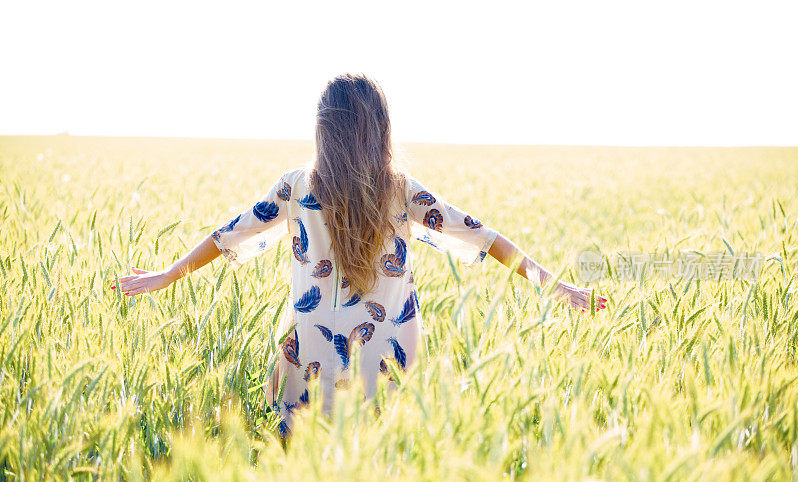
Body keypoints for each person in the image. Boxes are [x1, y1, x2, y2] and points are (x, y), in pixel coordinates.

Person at [112, 73, 606, 436]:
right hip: (388, 356)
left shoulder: (296, 185)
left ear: (324, 129)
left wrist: (168, 274)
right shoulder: (401, 190)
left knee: (305, 474)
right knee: (380, 472)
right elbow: (485, 237)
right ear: (380, 129)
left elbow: (227, 237)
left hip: (312, 355)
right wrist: (556, 286)